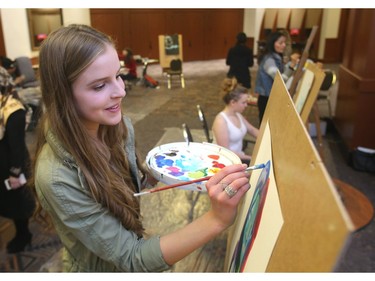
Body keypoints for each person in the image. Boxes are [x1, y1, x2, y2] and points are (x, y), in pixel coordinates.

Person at [30, 24, 251, 272]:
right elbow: (132, 258)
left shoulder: (118, 125)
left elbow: (128, 181)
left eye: (118, 75)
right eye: (99, 86)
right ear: (63, 96)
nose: (120, 91)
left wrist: (159, 174)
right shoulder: (57, 178)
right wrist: (217, 220)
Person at [0, 66, 35, 253]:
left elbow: (17, 147)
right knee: (7, 201)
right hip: (2, 166)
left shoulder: (13, 109)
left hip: (14, 166)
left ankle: (24, 234)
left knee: (18, 203)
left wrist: (15, 172)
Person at [254, 31, 300, 123]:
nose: (283, 45)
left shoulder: (275, 57)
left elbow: (280, 72)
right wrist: (292, 66)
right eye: (280, 43)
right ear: (272, 43)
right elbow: (280, 80)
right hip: (267, 99)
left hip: (270, 97)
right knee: (266, 127)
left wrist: (291, 64)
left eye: (284, 43)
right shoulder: (269, 60)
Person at [212, 77, 259, 165]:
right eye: (243, 102)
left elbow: (252, 130)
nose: (246, 105)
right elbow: (226, 152)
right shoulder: (221, 121)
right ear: (233, 102)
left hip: (238, 157)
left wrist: (268, 138)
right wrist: (251, 158)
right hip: (227, 161)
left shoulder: (237, 115)